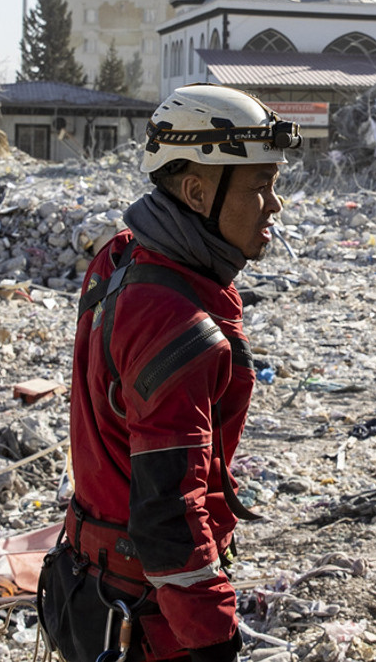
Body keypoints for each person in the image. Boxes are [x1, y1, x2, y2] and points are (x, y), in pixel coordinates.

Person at [38, 84, 298, 662]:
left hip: (92, 577)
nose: (274, 205)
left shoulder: (122, 257)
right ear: (197, 190)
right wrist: (213, 635)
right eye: (259, 187)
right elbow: (167, 519)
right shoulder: (176, 325)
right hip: (146, 614)